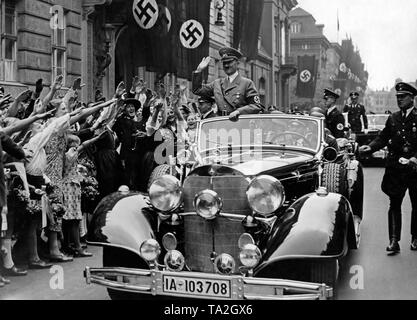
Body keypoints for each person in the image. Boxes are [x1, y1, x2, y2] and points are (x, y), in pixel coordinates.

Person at [359, 82, 417, 254]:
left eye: (403, 97)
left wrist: (415, 157)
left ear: (412, 98)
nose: (400, 100)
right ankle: (394, 241)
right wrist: (370, 147)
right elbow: (383, 138)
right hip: (396, 169)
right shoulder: (393, 118)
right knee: (394, 204)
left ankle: (415, 237)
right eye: (398, 97)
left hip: (414, 169)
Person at [192, 47, 263, 122]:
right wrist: (199, 70)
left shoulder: (247, 83)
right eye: (224, 63)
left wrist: (238, 112)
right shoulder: (217, 83)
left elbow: (256, 106)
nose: (226, 66)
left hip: (240, 125)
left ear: (237, 63)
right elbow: (197, 90)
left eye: (229, 62)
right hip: (221, 125)